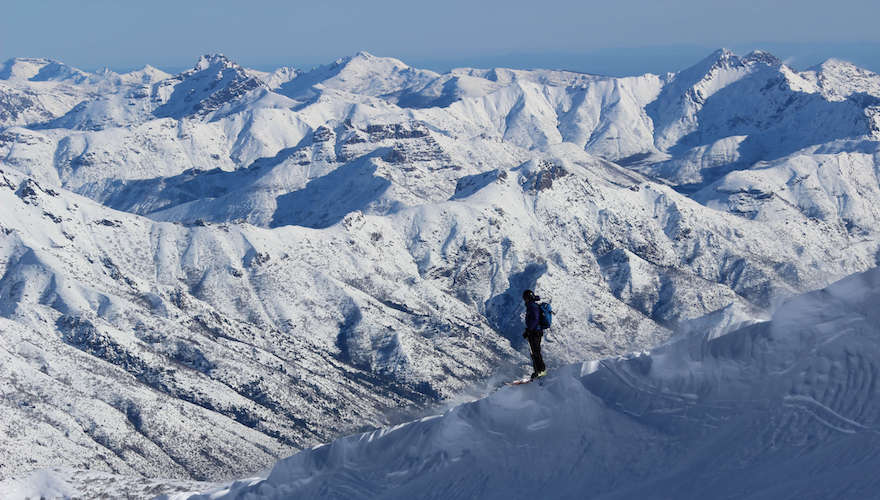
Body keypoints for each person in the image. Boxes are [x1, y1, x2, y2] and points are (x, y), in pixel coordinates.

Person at [522, 289, 546, 379]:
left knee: (535, 352)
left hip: (535, 332)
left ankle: (540, 372)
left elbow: (535, 319)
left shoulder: (532, 306)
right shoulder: (532, 305)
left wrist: (529, 330)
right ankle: (538, 371)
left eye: (525, 298)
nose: (525, 300)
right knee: (535, 352)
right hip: (535, 332)